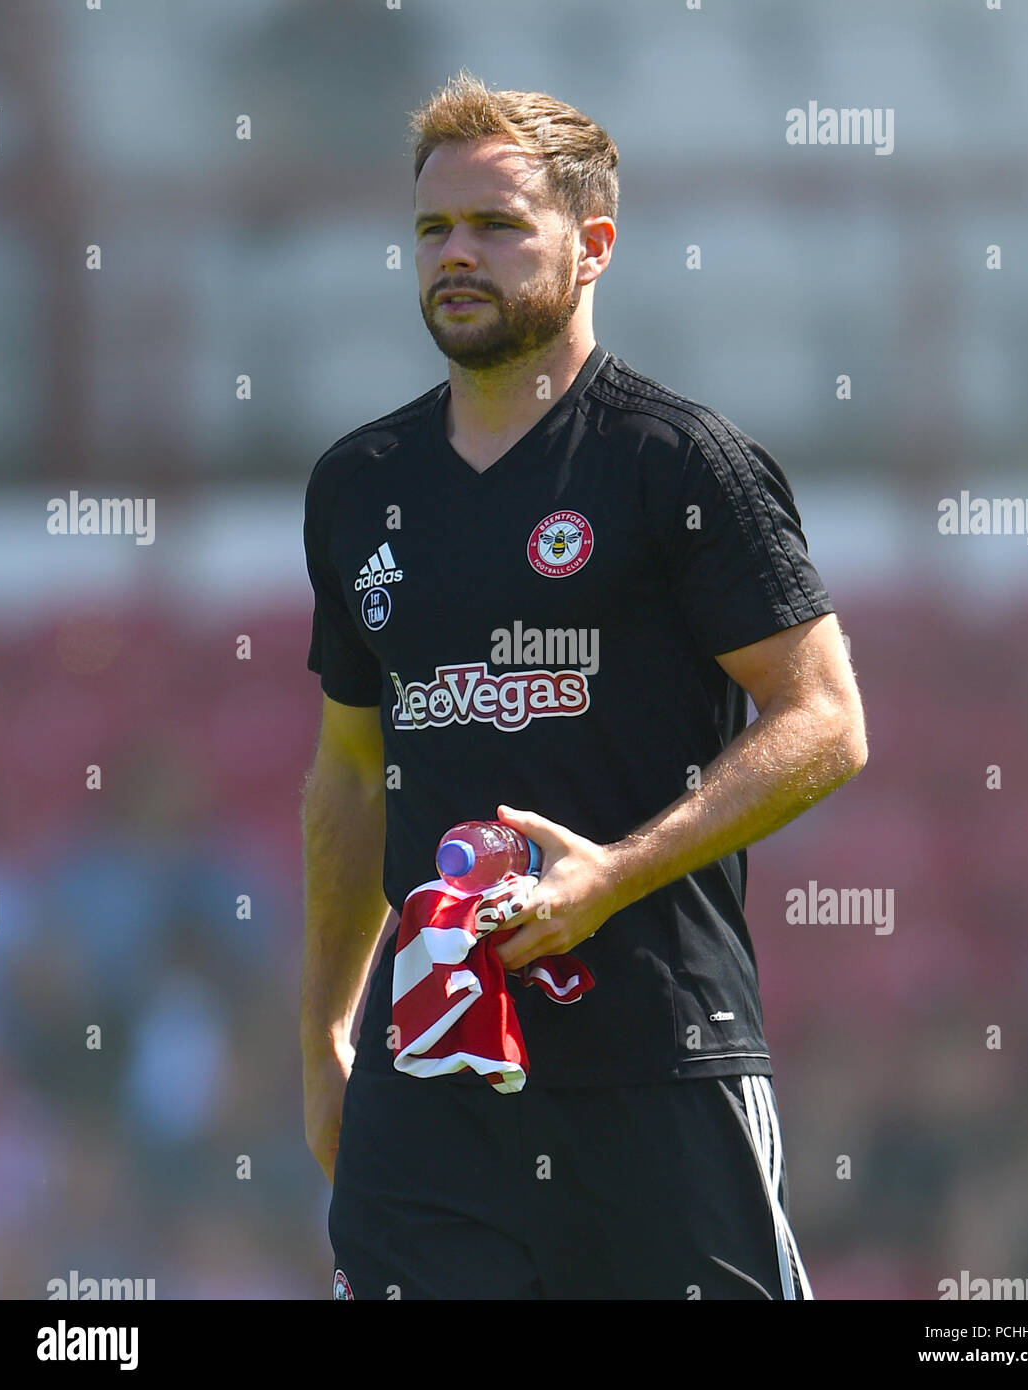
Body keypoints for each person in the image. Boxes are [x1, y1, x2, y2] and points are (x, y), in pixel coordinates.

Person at [300, 71, 867, 1301]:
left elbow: (826, 720)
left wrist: (614, 874)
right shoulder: (356, 485)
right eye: (434, 230)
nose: (458, 255)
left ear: (592, 245)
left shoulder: (680, 462)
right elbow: (350, 768)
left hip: (659, 1057)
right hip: (433, 1073)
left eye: (498, 226)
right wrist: (324, 1032)